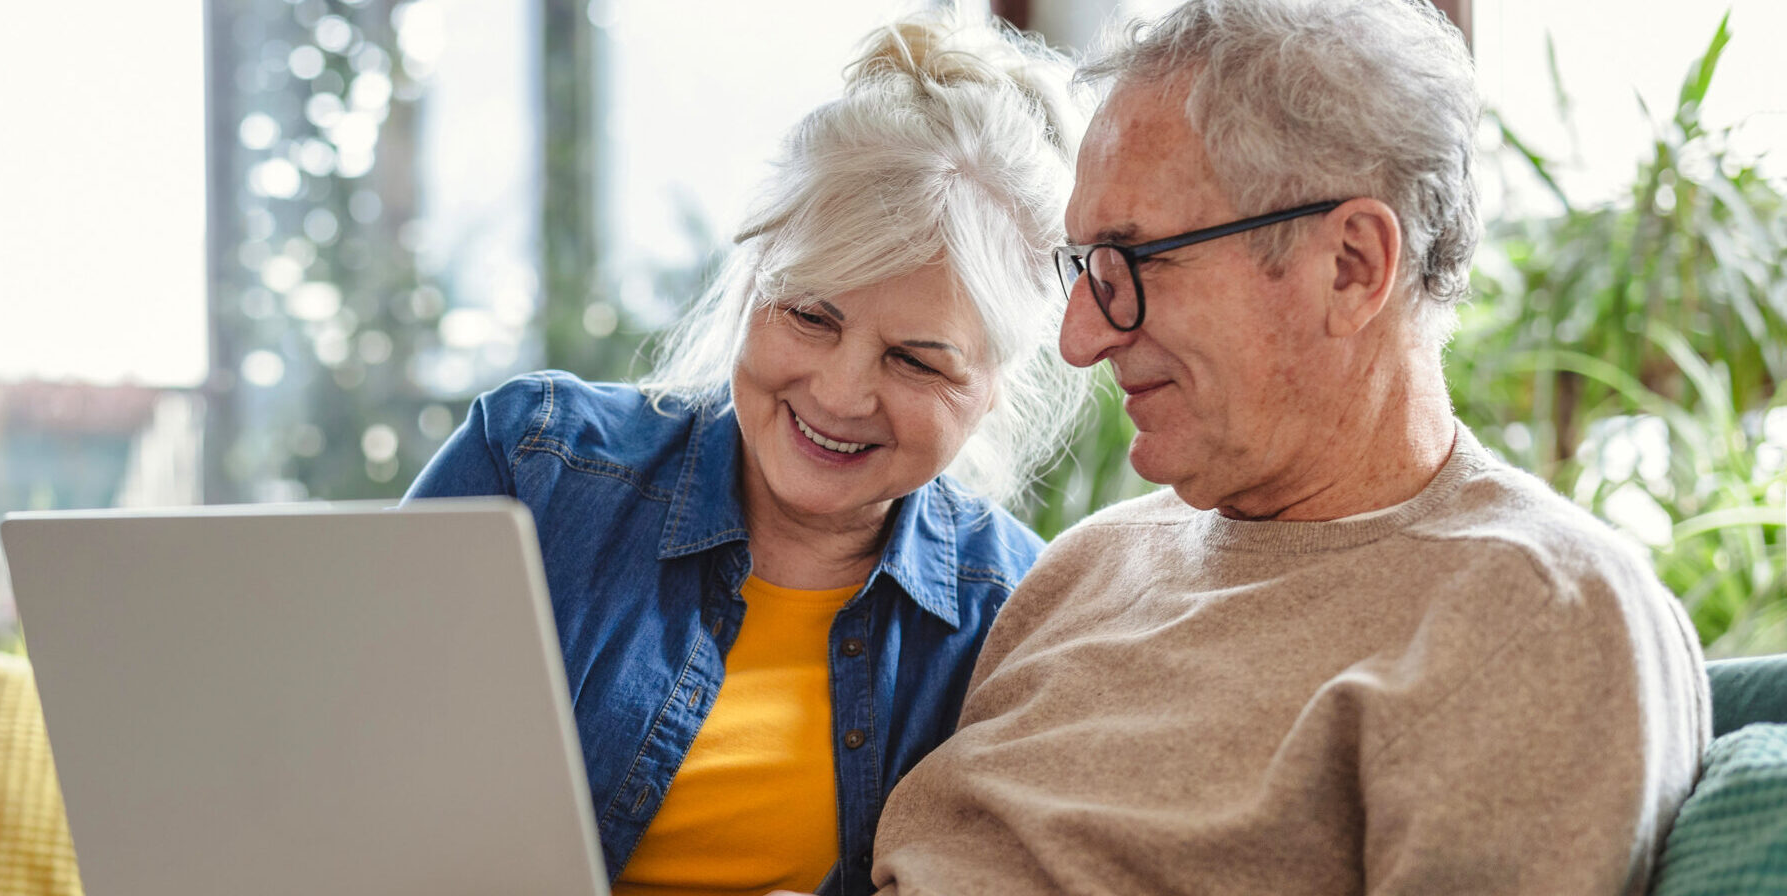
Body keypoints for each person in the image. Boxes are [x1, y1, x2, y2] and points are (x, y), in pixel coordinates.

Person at [840, 1, 1711, 894]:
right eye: (1083, 268)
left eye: (1133, 262)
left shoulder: (1531, 613)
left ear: (1351, 266)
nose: (1079, 340)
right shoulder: (1088, 567)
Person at [403, 13, 1088, 896]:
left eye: (916, 360)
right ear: (753, 277)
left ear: (995, 381)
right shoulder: (533, 465)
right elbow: (345, 767)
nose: (840, 395)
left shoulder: (1014, 618)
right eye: (810, 315)